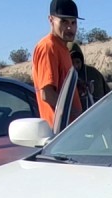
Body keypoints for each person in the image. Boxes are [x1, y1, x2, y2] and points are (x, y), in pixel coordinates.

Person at [32, 0, 84, 128]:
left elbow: (62, 86)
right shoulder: (48, 47)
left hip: (70, 131)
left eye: (73, 22)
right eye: (64, 22)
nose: (70, 28)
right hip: (60, 134)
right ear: (51, 20)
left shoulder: (63, 48)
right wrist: (77, 115)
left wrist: (77, 87)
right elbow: (47, 94)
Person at [69, 43, 108, 107]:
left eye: (78, 62)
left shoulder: (93, 73)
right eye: (72, 62)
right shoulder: (65, 77)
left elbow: (107, 95)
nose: (75, 66)